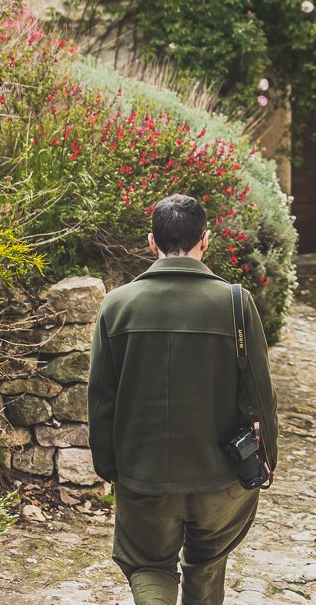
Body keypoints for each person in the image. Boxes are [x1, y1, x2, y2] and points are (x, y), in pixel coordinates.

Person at [88, 193, 278, 605]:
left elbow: (102, 399)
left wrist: (109, 466)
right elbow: (261, 394)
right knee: (207, 564)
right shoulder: (235, 303)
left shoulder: (117, 307)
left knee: (149, 565)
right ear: (205, 240)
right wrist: (266, 460)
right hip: (221, 475)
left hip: (143, 473)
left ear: (151, 242)